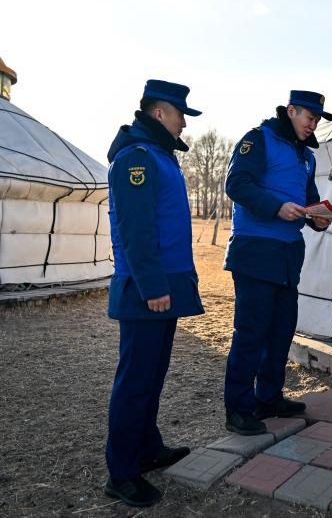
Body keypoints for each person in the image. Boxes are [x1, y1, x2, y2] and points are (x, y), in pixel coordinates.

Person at [103, 79, 205, 507]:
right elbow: (136, 229)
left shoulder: (160, 156)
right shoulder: (136, 158)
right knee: (135, 382)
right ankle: (122, 472)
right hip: (147, 290)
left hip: (164, 286)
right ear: (160, 113)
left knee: (152, 376)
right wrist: (153, 286)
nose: (184, 123)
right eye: (181, 114)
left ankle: (147, 449)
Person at [222, 90, 332, 435]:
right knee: (251, 333)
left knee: (281, 330)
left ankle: (268, 397)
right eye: (309, 118)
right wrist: (276, 207)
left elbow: (309, 201)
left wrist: (319, 218)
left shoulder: (306, 156)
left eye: (317, 120)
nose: (313, 125)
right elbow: (236, 184)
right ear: (291, 111)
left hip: (287, 253)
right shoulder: (259, 140)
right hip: (256, 249)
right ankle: (238, 409)